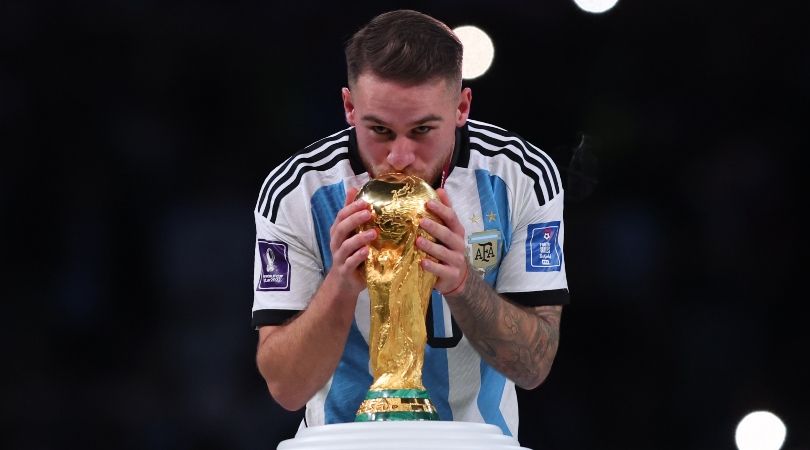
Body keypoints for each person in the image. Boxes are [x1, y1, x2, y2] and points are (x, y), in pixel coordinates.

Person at [252, 9, 569, 438]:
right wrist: (340, 286)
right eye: (380, 130)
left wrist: (462, 283)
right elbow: (286, 389)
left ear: (461, 107)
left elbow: (534, 366)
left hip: (474, 443)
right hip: (342, 442)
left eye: (422, 130)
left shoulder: (522, 177)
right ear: (349, 106)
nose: (400, 157)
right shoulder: (297, 191)